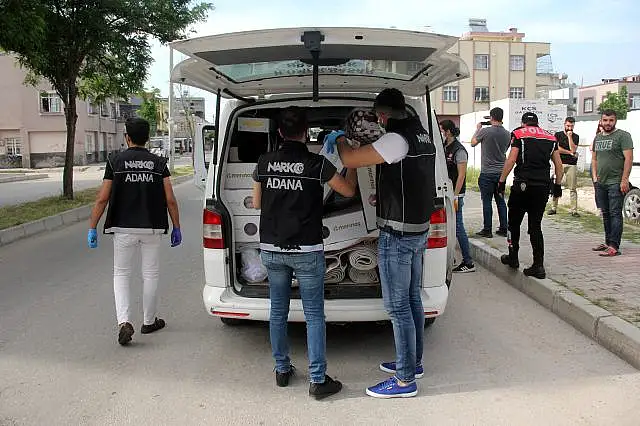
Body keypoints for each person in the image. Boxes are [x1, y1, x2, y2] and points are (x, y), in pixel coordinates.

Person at [324, 88, 436, 399]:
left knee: (398, 307)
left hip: (398, 236)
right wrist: (385, 195)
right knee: (412, 299)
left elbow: (350, 159)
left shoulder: (395, 140)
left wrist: (340, 139)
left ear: (383, 115)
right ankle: (413, 364)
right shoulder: (423, 136)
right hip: (417, 231)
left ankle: (403, 381)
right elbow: (411, 179)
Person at [251, 106, 357, 399]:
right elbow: (348, 191)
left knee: (278, 312)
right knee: (313, 315)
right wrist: (354, 164)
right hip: (307, 249)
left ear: (280, 132)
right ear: (306, 131)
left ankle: (282, 370)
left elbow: (257, 203)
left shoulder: (263, 162)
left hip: (272, 249)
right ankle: (318, 380)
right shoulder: (317, 164)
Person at [87, 117, 182, 346]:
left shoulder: (115, 161)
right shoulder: (158, 163)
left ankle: (124, 322)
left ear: (127, 137)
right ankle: (149, 321)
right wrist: (176, 226)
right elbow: (170, 199)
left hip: (122, 228)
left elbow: (102, 199)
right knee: (150, 274)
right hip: (152, 227)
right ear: (147, 138)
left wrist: (92, 227)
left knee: (121, 274)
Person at [497, 112, 564, 279]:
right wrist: (557, 186)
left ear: (523, 123)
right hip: (542, 187)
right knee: (535, 226)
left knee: (513, 224)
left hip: (522, 186)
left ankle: (513, 257)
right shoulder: (550, 137)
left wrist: (501, 181)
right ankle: (538, 265)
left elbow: (511, 160)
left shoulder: (518, 134)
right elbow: (559, 165)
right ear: (537, 123)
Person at [591, 109, 634, 257]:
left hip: (616, 182)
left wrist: (624, 179)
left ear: (615, 121)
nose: (608, 123)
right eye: (605, 120)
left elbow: (629, 159)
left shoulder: (623, 136)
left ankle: (614, 246)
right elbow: (594, 159)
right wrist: (595, 178)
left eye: (611, 120)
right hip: (601, 182)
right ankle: (608, 242)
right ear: (601, 121)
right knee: (606, 213)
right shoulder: (597, 138)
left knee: (615, 213)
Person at [440, 120, 475, 273]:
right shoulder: (444, 146)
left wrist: (455, 196)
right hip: (446, 192)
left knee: (458, 227)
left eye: (442, 130)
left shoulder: (459, 150)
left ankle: (468, 262)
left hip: (456, 195)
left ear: (448, 131)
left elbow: (461, 176)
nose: (441, 133)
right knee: (449, 227)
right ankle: (451, 257)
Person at [471, 107, 510, 238]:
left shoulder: (485, 131)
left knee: (487, 201)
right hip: (501, 173)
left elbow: (473, 143)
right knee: (501, 201)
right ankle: (504, 228)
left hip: (487, 172)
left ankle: (487, 229)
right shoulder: (507, 134)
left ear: (491, 117)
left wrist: (478, 129)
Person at [549, 117, 580, 216]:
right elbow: (557, 149)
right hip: (560, 162)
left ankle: (574, 210)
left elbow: (574, 149)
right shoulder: (558, 135)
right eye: (568, 126)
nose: (569, 128)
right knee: (557, 185)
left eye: (571, 126)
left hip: (572, 164)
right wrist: (569, 152)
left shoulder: (576, 136)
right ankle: (553, 207)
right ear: (564, 125)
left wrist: (570, 137)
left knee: (572, 188)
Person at [591, 121, 604, 216]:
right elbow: (592, 150)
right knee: (597, 188)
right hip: (597, 165)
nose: (602, 127)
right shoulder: (597, 138)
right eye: (600, 126)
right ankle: (599, 208)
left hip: (606, 166)